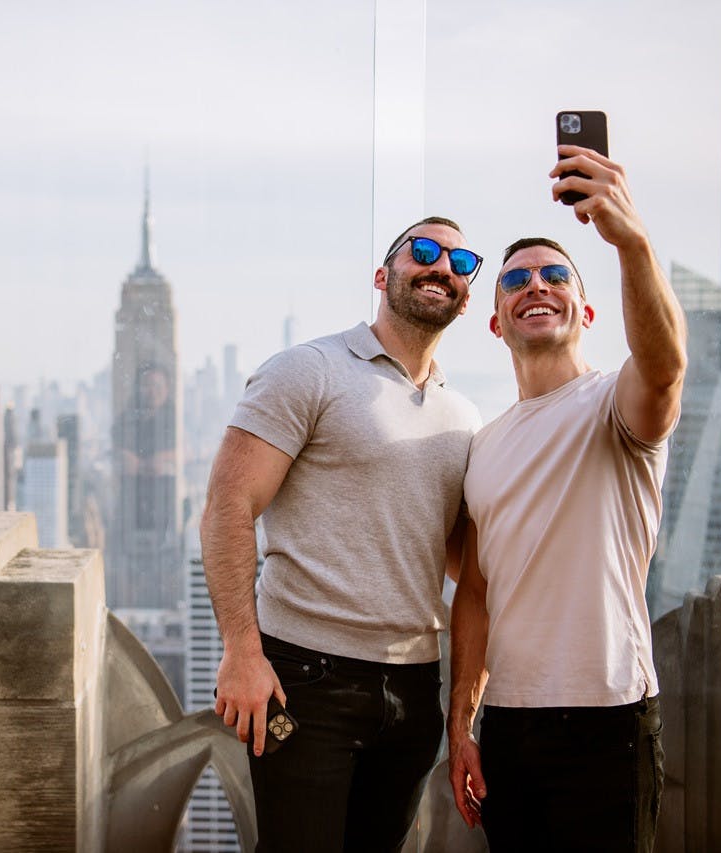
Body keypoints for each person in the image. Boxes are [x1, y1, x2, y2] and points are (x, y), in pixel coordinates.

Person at [201, 217, 484, 851]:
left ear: (467, 295)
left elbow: (468, 565)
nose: (443, 267)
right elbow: (228, 503)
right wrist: (242, 651)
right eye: (426, 251)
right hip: (305, 680)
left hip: (414, 690)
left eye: (461, 262)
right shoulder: (311, 370)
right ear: (383, 275)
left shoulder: (463, 418)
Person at [446, 147, 687, 853]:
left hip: (609, 719)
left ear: (583, 308)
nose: (535, 286)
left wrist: (630, 241)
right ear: (496, 322)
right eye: (516, 281)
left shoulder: (615, 403)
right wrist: (460, 723)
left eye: (555, 275)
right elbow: (478, 593)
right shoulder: (484, 446)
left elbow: (666, 368)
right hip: (511, 729)